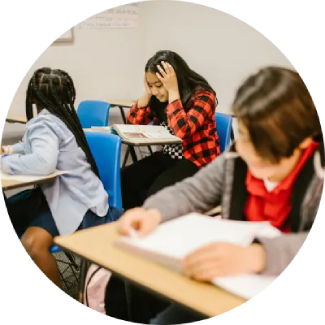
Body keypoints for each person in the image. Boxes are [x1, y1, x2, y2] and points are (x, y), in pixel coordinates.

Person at [117, 66, 324, 324]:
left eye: (270, 146)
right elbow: (191, 191)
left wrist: (257, 255)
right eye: (247, 137)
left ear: (305, 140)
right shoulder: (238, 159)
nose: (254, 154)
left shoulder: (318, 172)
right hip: (229, 285)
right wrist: (152, 212)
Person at [1, 68, 120, 290]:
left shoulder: (45, 122)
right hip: (68, 193)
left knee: (31, 244)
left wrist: (5, 163)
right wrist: (8, 149)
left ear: (34, 98)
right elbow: (32, 145)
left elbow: (43, 162)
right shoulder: (62, 115)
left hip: (78, 203)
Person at [121, 50, 221, 210]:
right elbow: (132, 123)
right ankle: (142, 218)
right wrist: (147, 94)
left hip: (195, 160)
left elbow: (183, 131)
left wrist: (173, 92)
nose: (155, 91)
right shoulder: (157, 96)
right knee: (123, 180)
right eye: (151, 85)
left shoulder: (203, 96)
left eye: (159, 86)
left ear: (175, 80)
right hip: (169, 155)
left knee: (156, 195)